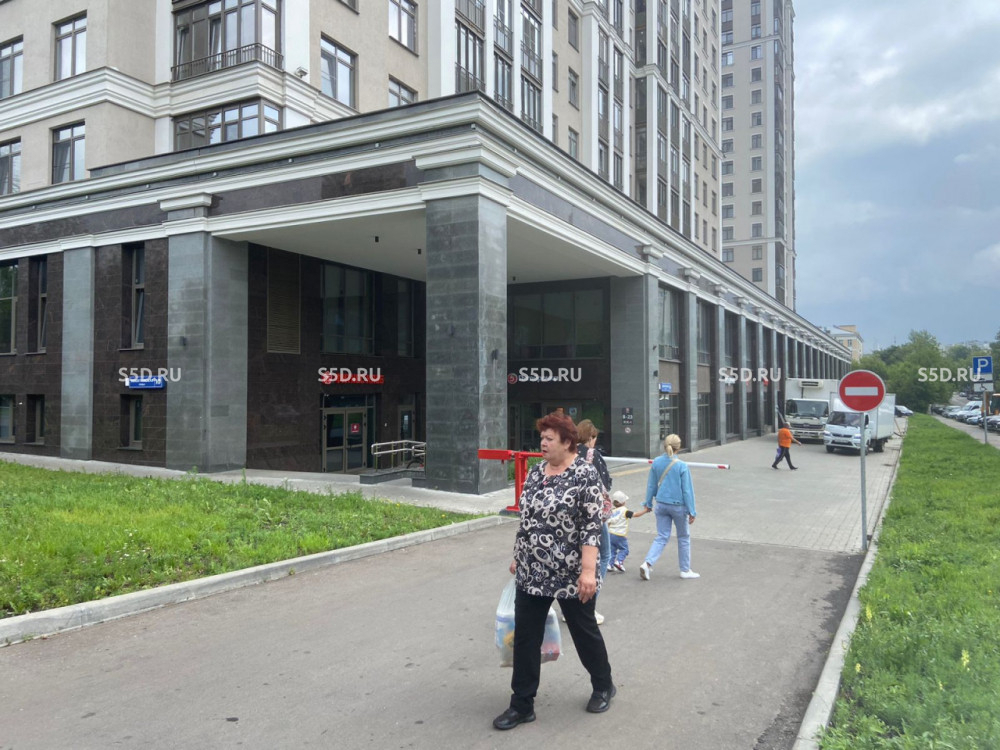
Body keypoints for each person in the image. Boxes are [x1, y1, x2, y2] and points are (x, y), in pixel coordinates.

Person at [493, 412, 616, 731]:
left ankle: (603, 685)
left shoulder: (585, 474)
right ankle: (522, 705)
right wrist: (519, 555)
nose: (542, 443)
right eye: (542, 438)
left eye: (549, 438)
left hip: (571, 574)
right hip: (532, 571)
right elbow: (527, 519)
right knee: (525, 638)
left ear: (567, 441)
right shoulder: (537, 472)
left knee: (584, 632)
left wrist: (588, 571)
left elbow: (591, 526)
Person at [635, 434, 699, 581]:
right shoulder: (682, 466)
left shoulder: (656, 462)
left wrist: (648, 503)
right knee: (683, 537)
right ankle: (685, 570)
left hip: (661, 505)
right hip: (678, 507)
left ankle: (647, 564)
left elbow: (651, 485)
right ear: (679, 447)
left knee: (662, 536)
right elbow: (687, 491)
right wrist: (692, 511)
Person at [576, 419, 611, 625]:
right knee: (604, 555)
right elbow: (605, 483)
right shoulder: (593, 455)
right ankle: (588, 606)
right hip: (593, 514)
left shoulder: (570, 453)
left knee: (577, 560)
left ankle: (571, 606)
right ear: (590, 437)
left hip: (573, 515)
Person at [606, 490, 634, 573]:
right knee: (624, 549)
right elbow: (635, 514)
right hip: (620, 534)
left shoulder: (612, 511)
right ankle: (619, 561)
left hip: (610, 534)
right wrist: (645, 511)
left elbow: (608, 522)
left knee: (612, 550)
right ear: (623, 502)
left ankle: (609, 564)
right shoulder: (625, 511)